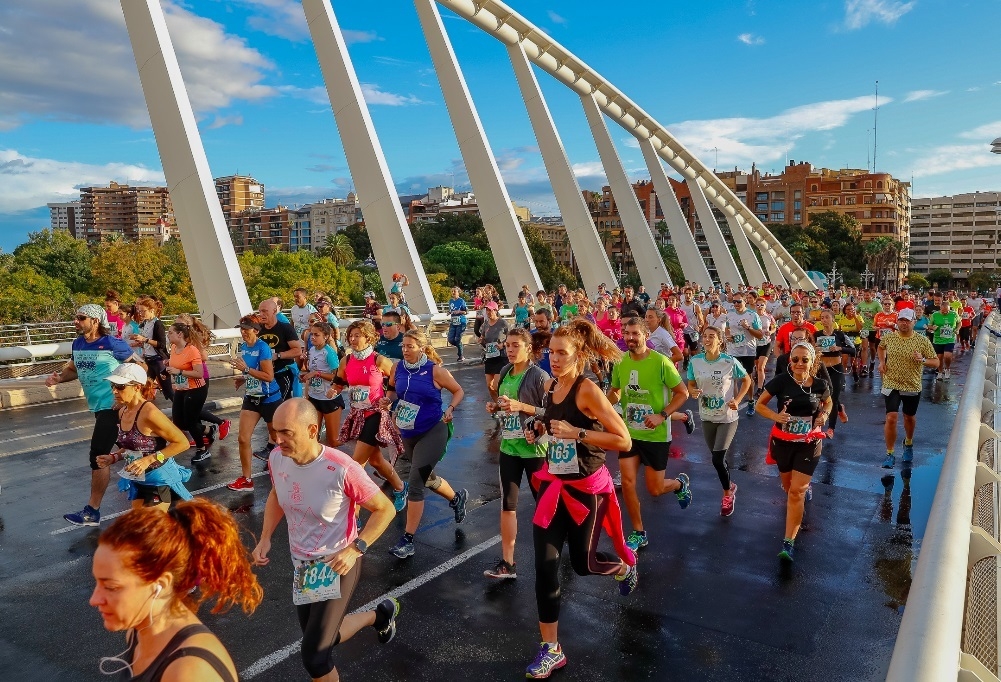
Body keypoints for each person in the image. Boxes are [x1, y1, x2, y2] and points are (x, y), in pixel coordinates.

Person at [251, 399, 399, 682]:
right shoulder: (277, 458)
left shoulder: (342, 467)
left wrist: (357, 548)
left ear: (311, 429)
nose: (277, 440)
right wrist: (265, 537)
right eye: (274, 432)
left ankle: (376, 616)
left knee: (316, 657)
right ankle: (378, 616)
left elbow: (385, 509)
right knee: (320, 637)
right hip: (304, 566)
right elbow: (275, 495)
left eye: (286, 433)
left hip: (337, 564)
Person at [523, 320, 636, 679]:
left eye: (562, 353)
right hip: (555, 488)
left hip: (587, 492)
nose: (553, 359)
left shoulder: (587, 390)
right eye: (551, 352)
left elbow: (623, 440)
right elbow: (552, 423)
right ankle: (551, 649)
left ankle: (623, 567)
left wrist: (578, 432)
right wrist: (538, 428)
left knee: (584, 565)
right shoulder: (552, 386)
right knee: (544, 568)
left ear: (579, 355)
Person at [91, 498, 263, 681]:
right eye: (97, 583)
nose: (94, 599)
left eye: (111, 587)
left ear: (161, 584)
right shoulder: (137, 633)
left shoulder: (190, 671)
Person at [47, 304, 140, 526]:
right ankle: (159, 488)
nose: (76, 321)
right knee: (136, 447)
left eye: (81, 318)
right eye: (76, 317)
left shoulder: (112, 343)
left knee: (98, 455)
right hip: (98, 407)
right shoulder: (78, 343)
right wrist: (59, 378)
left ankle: (92, 511)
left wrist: (124, 401)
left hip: (112, 407)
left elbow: (140, 368)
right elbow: (73, 370)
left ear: (96, 321)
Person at [608, 316, 692, 552]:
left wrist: (662, 415)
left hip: (655, 435)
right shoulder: (620, 362)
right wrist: (601, 407)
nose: (630, 338)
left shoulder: (661, 362)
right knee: (628, 482)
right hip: (630, 434)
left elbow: (682, 393)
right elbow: (615, 392)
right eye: (627, 333)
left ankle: (678, 484)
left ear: (646, 335)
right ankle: (638, 532)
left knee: (654, 489)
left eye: (635, 333)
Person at [384, 330, 468, 558]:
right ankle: (456, 498)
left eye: (410, 346)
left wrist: (450, 409)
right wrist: (388, 400)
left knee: (416, 482)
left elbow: (458, 390)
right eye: (403, 346)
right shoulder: (398, 368)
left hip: (433, 430)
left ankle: (408, 540)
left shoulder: (435, 370)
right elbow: (392, 390)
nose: (405, 350)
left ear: (421, 347)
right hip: (408, 432)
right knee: (427, 478)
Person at [755, 342, 832, 562]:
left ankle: (788, 542)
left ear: (812, 362)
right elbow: (760, 404)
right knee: (789, 488)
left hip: (809, 442)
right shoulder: (781, 381)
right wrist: (775, 417)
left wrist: (824, 415)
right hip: (783, 442)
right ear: (790, 360)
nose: (799, 363)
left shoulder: (819, 384)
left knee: (797, 492)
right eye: (795, 359)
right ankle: (798, 499)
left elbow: (828, 403)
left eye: (804, 359)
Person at [484, 329, 549, 579]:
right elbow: (505, 407)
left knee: (544, 505)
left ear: (528, 348)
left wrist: (522, 406)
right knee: (508, 505)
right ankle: (507, 563)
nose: (509, 350)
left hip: (535, 450)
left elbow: (551, 410)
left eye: (515, 345)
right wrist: (495, 407)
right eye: (507, 346)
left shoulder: (538, 376)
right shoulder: (504, 373)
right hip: (509, 447)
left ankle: (551, 552)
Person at [332, 320, 409, 511]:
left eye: (357, 335)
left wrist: (389, 398)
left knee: (356, 464)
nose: (353, 339)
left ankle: (353, 513)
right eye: (351, 335)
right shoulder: (346, 360)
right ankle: (400, 487)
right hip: (357, 415)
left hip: (375, 413)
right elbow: (339, 381)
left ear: (368, 338)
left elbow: (396, 380)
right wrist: (333, 391)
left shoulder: (378, 360)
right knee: (375, 460)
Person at [98, 364, 193, 511]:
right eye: (113, 385)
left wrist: (149, 459)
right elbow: (133, 445)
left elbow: (182, 443)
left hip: (158, 479)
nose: (114, 391)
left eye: (120, 386)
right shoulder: (122, 411)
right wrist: (114, 457)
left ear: (136, 387)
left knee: (150, 531)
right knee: (139, 528)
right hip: (139, 480)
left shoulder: (149, 413)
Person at [687, 326, 752, 516]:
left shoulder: (729, 361)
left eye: (711, 337)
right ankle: (729, 483)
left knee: (717, 458)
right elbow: (691, 382)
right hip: (706, 416)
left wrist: (738, 400)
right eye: (704, 337)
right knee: (717, 460)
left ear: (720, 340)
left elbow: (747, 380)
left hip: (727, 418)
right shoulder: (695, 361)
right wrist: (692, 391)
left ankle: (727, 493)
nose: (706, 340)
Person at [877, 308, 939, 469]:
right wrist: (882, 362)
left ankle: (908, 443)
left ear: (914, 322)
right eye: (901, 320)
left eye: (907, 320)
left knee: (909, 418)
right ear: (897, 322)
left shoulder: (922, 341)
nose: (904, 323)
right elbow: (881, 347)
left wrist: (923, 359)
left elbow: (935, 362)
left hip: (911, 384)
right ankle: (890, 453)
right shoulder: (889, 337)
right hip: (891, 383)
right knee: (891, 417)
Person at [227, 315, 282, 491]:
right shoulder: (244, 347)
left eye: (246, 329)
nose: (243, 332)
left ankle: (294, 469)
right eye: (241, 328)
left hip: (269, 398)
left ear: (256, 331)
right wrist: (243, 379)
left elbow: (269, 376)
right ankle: (247, 479)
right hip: (252, 397)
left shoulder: (263, 348)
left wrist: (246, 370)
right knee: (243, 438)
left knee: (278, 438)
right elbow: (251, 372)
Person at [254, 298, 303, 459]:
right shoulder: (258, 329)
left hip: (282, 373)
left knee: (276, 409)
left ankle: (272, 447)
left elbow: (297, 350)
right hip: (264, 376)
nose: (261, 315)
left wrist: (278, 355)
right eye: (259, 311)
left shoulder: (284, 328)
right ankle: (290, 440)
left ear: (274, 311)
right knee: (271, 411)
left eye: (264, 311)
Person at [164, 321, 209, 465]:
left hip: (195, 389)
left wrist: (180, 371)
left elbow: (199, 373)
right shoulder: (173, 348)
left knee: (190, 421)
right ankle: (208, 430)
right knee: (178, 421)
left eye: (170, 332)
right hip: (180, 388)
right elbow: (175, 365)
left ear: (180, 334)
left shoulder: (192, 350)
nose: (168, 335)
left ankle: (202, 449)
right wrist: (167, 369)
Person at [302, 321, 343, 447]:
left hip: (329, 399)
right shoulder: (312, 350)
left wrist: (316, 374)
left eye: (316, 335)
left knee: (333, 441)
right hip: (315, 397)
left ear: (325, 336)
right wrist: (305, 376)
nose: (312, 337)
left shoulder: (329, 352)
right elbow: (311, 371)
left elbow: (336, 377)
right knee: (312, 437)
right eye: (311, 334)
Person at [815, 310, 855, 438]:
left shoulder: (840, 334)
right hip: (822, 369)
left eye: (827, 317)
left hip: (836, 369)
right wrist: (815, 349)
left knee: (832, 397)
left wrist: (840, 348)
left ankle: (831, 428)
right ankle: (839, 409)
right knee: (822, 397)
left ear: (833, 319)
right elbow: (808, 351)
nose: (824, 320)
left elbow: (853, 349)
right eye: (822, 317)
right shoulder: (816, 335)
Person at [725, 293, 764, 416]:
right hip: (733, 350)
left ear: (745, 301)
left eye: (739, 302)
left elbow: (760, 334)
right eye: (734, 302)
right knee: (733, 378)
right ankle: (734, 402)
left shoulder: (752, 315)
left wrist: (747, 328)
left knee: (747, 378)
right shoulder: (730, 314)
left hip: (748, 351)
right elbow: (727, 328)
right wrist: (728, 336)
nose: (736, 304)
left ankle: (751, 400)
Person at [129, 296, 173, 401]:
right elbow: (146, 342)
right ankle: (139, 411)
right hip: (149, 360)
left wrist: (145, 339)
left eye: (144, 311)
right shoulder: (145, 323)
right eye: (139, 311)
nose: (141, 313)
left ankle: (184, 411)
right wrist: (139, 341)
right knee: (144, 388)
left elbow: (161, 344)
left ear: (152, 310)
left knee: (168, 391)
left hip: (158, 360)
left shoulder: (157, 324)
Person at [479, 301, 509, 403]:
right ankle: (497, 405)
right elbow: (483, 338)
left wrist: (503, 344)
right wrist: (481, 340)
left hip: (501, 357)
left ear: (495, 311)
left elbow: (510, 338)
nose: (488, 312)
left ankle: (504, 405)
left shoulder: (503, 323)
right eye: (487, 310)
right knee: (489, 386)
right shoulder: (485, 325)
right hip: (490, 356)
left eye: (490, 310)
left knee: (496, 385)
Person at [928, 298, 960, 380]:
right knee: (939, 357)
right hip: (938, 339)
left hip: (950, 338)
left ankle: (948, 369)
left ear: (949, 309)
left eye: (947, 311)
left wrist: (957, 329)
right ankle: (940, 372)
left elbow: (959, 322)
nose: (945, 312)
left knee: (947, 355)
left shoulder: (954, 314)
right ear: (940, 309)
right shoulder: (935, 315)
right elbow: (929, 325)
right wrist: (932, 327)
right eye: (943, 311)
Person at [447, 286, 468, 361]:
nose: (453, 293)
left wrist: (459, 311)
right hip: (453, 322)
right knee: (450, 339)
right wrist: (449, 312)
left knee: (457, 339)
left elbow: (466, 311)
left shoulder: (461, 301)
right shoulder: (450, 301)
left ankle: (460, 355)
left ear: (458, 292)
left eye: (454, 291)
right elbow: (451, 309)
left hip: (461, 322)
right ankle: (460, 346)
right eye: (452, 291)